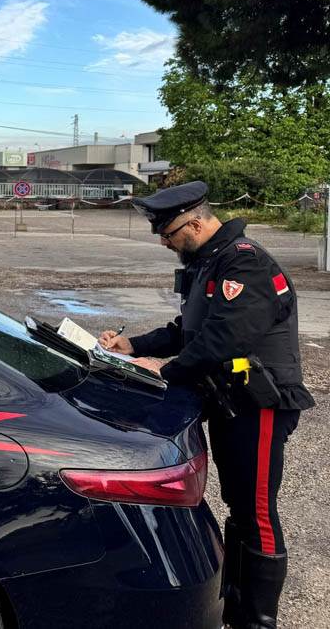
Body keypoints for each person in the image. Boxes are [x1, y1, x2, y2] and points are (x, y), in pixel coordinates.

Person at [98, 181, 314, 629]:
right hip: (230, 400)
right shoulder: (210, 261)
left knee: (256, 511)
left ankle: (258, 621)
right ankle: (237, 608)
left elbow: (224, 338)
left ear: (195, 224)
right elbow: (188, 329)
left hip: (258, 403)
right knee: (238, 503)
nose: (165, 242)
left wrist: (167, 371)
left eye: (169, 233)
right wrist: (132, 346)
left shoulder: (245, 262)